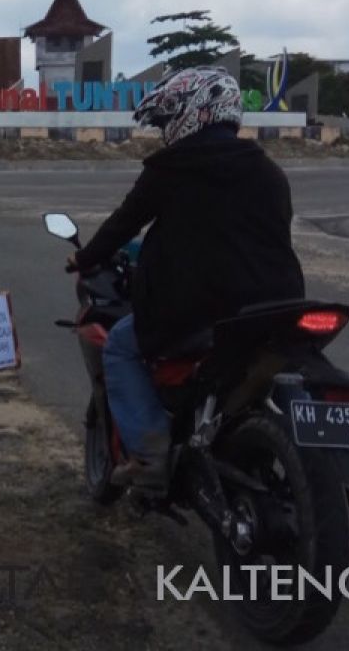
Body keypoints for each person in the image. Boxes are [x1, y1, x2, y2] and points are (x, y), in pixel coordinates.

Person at [69, 67, 305, 490]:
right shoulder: (269, 170)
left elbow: (124, 224)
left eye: (164, 120)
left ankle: (151, 455)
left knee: (121, 347)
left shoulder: (174, 167)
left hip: (198, 310)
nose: (163, 131)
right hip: (275, 304)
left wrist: (84, 258)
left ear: (191, 112)